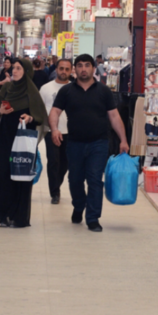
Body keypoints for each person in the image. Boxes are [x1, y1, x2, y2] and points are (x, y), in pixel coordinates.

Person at [49, 54, 129, 232]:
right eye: (79, 65)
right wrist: (54, 129)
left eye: (87, 65)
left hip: (99, 143)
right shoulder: (67, 91)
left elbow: (114, 116)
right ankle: (79, 206)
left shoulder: (104, 91)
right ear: (75, 69)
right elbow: (55, 112)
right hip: (74, 143)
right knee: (74, 180)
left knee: (94, 180)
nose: (83, 69)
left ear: (94, 68)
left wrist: (123, 140)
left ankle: (93, 218)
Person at [0, 59, 48, 228]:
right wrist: (1, 110)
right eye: (13, 68)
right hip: (5, 136)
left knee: (20, 174)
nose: (14, 71)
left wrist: (30, 118)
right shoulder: (7, 88)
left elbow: (40, 116)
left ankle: (17, 215)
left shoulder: (32, 91)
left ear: (27, 71)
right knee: (1, 173)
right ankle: (0, 213)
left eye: (18, 68)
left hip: (22, 138)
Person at [39, 59, 72, 205]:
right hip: (51, 131)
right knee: (53, 161)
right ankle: (55, 192)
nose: (63, 71)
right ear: (56, 69)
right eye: (61, 68)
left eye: (67, 69)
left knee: (65, 163)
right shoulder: (45, 88)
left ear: (71, 71)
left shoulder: (75, 88)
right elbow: (40, 110)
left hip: (71, 132)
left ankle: (57, 184)